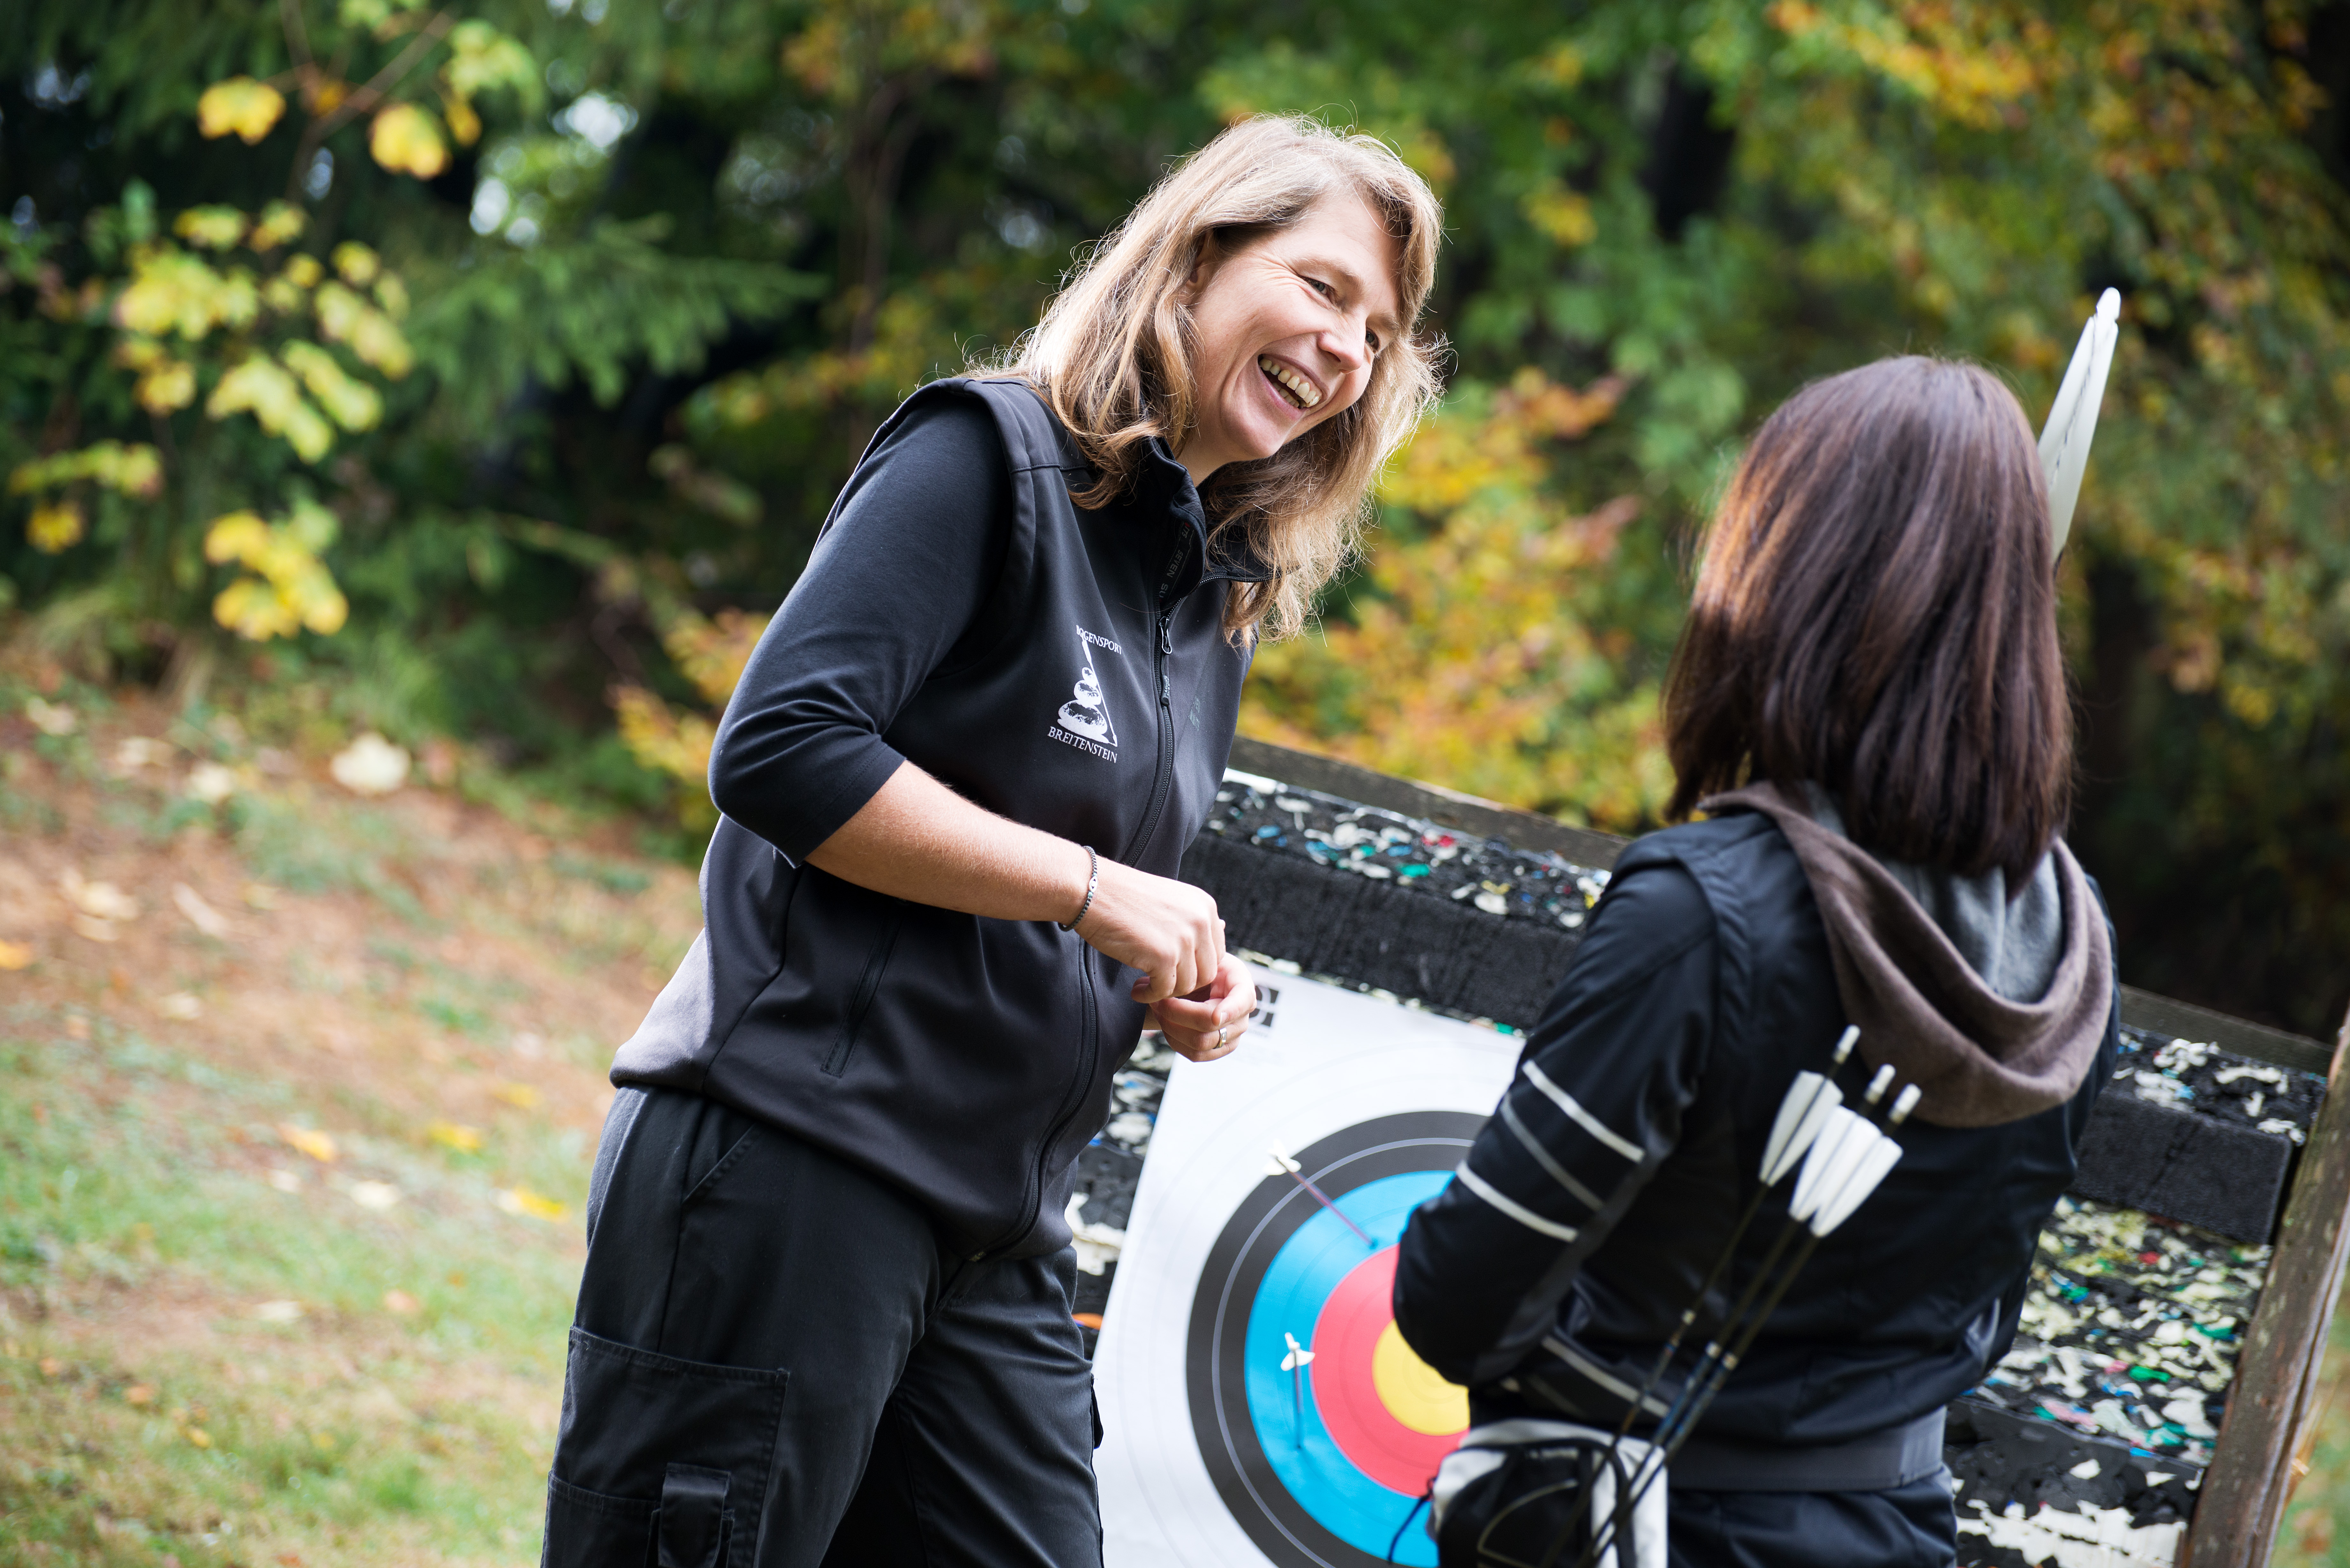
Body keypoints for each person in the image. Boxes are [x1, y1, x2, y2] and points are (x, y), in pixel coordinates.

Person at [542, 115, 1443, 1568]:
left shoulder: (1210, 597)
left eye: (1379, 333)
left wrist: (1158, 978)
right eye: (1322, 286)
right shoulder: (988, 453)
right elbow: (781, 750)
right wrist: (1093, 895)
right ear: (1196, 260)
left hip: (997, 1234)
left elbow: (1055, 868)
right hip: (795, 1165)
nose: (1347, 347)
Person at [1394, 357, 2119, 1567]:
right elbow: (1975, 1318)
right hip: (1894, 1531)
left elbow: (1458, 1300)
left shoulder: (1701, 911)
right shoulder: (2074, 935)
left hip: (1660, 1531)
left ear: (1791, 582)